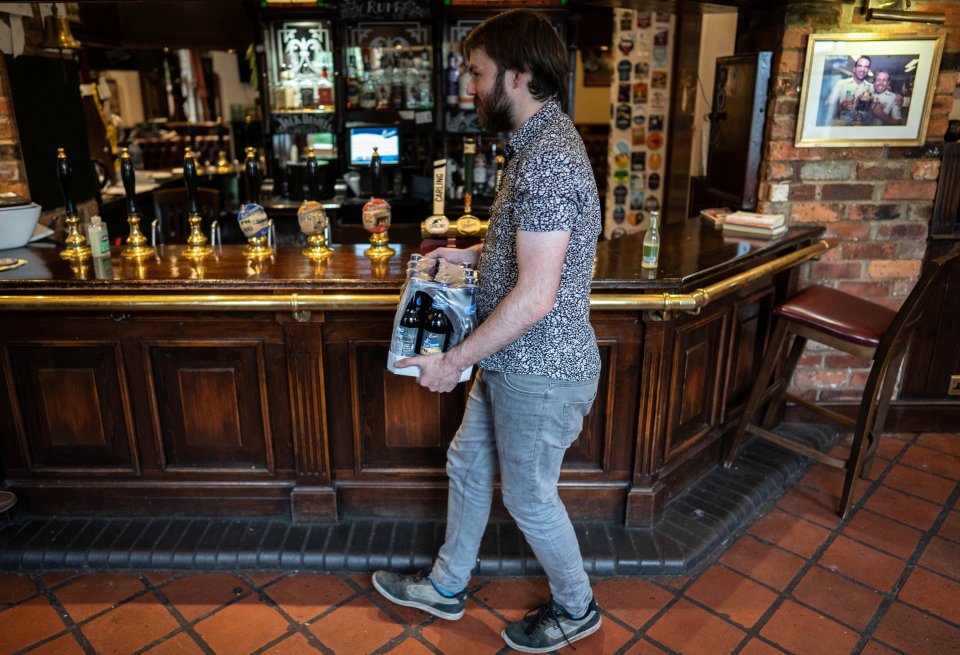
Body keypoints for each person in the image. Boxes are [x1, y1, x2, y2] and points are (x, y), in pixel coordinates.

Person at [371, 9, 603, 653]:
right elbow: (529, 256)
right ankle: (447, 587)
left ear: (519, 75)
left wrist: (453, 362)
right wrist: (469, 257)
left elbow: (536, 296)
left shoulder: (549, 157)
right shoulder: (532, 144)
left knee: (529, 499)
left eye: (476, 73)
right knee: (469, 466)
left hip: (540, 367)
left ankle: (578, 607)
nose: (468, 87)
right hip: (510, 360)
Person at [824, 55, 873, 125]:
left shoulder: (871, 87)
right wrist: (840, 106)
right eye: (860, 66)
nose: (862, 69)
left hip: (863, 127)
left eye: (866, 67)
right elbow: (827, 105)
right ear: (854, 68)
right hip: (843, 126)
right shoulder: (841, 84)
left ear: (868, 70)